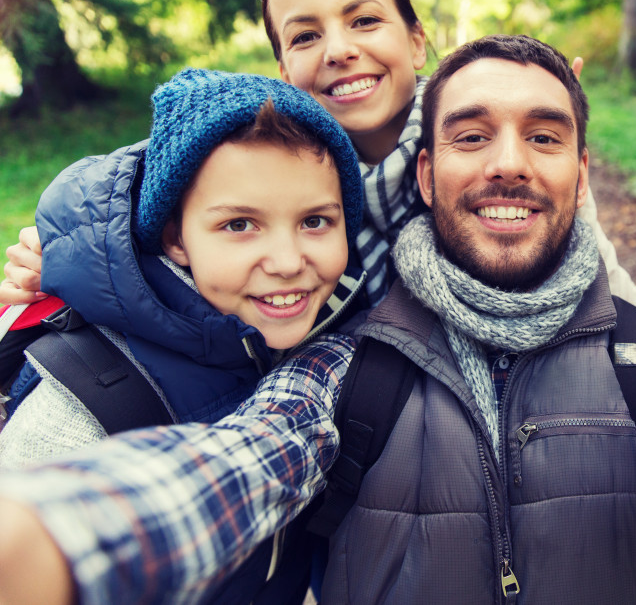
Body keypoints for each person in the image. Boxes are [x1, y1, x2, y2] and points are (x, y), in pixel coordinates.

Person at [0, 36, 636, 605]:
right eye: (470, 134)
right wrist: (49, 534)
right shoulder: (343, 365)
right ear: (425, 175)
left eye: (543, 134)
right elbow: (231, 467)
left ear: (580, 175)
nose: (508, 160)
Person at [0, 0, 636, 324]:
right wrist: (60, 249)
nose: (338, 49)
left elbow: (603, 285)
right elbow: (151, 182)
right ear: (282, 67)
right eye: (305, 34)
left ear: (416, 42)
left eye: (363, 20)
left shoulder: (477, 158)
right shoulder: (256, 159)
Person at [0, 67, 365, 603]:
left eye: (315, 221)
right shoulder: (79, 403)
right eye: (239, 225)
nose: (289, 263)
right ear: (175, 238)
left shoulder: (300, 325)